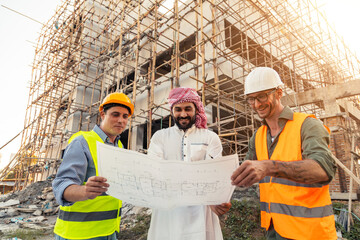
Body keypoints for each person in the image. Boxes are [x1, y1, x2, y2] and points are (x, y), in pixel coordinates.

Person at [231, 67, 337, 240]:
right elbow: (241, 175)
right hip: (274, 230)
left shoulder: (307, 125)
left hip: (310, 233)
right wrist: (219, 195)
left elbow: (323, 170)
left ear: (278, 93)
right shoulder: (257, 137)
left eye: (262, 96)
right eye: (251, 99)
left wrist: (269, 167)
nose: (257, 104)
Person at [147, 87, 231, 240]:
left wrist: (216, 200)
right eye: (178, 109)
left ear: (196, 109)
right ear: (172, 111)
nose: (183, 114)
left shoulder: (210, 138)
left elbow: (214, 176)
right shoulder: (160, 137)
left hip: (202, 212)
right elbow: (155, 172)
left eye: (188, 109)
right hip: (168, 213)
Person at [52, 92, 134, 240]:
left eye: (125, 116)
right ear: (102, 114)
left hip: (109, 231)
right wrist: (85, 191)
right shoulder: (82, 141)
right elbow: (61, 185)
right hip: (77, 234)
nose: (121, 120)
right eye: (115, 114)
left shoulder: (119, 146)